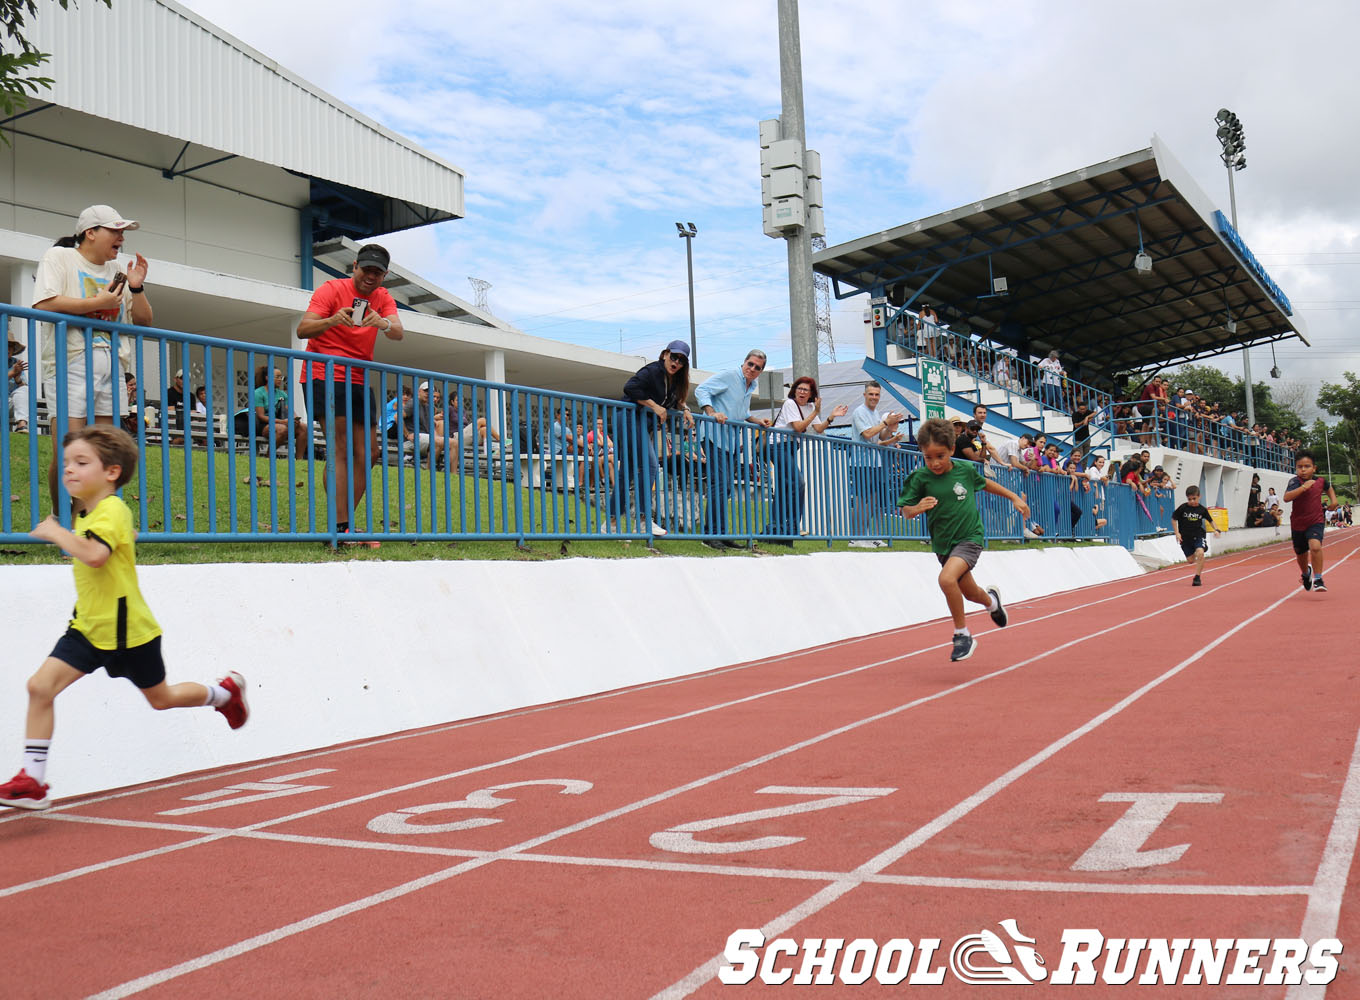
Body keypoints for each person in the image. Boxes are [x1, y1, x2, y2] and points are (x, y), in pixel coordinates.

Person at [0, 426, 248, 811]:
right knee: (40, 687)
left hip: (129, 633)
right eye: (66, 463)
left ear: (111, 472)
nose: (69, 469)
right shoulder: (91, 512)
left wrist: (56, 533)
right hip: (87, 629)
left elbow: (95, 555)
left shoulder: (113, 509)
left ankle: (224, 694)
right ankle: (32, 780)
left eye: (81, 462)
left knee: (162, 699)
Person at [33, 205, 154, 513]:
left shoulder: (119, 272)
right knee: (70, 452)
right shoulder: (60, 257)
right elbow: (44, 304)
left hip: (112, 365)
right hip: (70, 361)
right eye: (115, 231)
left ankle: (91, 524)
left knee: (102, 456)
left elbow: (144, 321)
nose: (121, 238)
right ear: (90, 233)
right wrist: (97, 303)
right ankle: (64, 520)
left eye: (123, 232)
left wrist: (137, 286)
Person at [296, 244, 404, 546]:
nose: (370, 276)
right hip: (325, 372)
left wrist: (382, 322)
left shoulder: (383, 297)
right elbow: (303, 329)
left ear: (384, 275)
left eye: (377, 272)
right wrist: (333, 319)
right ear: (354, 266)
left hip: (358, 377)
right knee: (340, 449)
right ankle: (342, 529)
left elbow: (398, 332)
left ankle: (341, 527)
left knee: (370, 453)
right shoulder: (331, 289)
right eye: (366, 269)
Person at [897, 418, 1030, 662]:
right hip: (943, 544)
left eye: (940, 456)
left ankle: (962, 634)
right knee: (969, 593)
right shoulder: (920, 478)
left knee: (946, 579)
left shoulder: (964, 471)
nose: (935, 463)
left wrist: (1014, 497)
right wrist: (916, 508)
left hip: (970, 537)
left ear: (951, 449)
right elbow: (906, 511)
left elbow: (985, 484)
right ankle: (992, 602)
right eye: (928, 457)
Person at [613, 340, 693, 537]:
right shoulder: (653, 370)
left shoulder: (674, 380)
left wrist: (686, 409)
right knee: (650, 465)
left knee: (627, 471)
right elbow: (630, 387)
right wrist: (654, 406)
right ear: (665, 354)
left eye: (681, 360)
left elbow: (675, 400)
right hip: (629, 418)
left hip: (640, 422)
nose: (676, 362)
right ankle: (643, 520)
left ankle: (612, 523)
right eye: (674, 357)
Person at [695, 348, 768, 547]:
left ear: (761, 371)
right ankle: (711, 535)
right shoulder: (729, 376)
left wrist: (757, 421)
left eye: (757, 367)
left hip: (731, 442)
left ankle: (721, 533)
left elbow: (742, 412)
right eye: (750, 364)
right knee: (719, 484)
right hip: (714, 436)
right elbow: (701, 390)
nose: (752, 369)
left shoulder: (751, 385)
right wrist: (712, 412)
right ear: (744, 362)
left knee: (727, 486)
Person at [769, 375, 848, 543]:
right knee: (798, 483)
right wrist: (815, 413)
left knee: (784, 487)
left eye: (806, 390)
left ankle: (776, 526)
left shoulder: (810, 407)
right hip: (777, 445)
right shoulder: (790, 404)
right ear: (794, 390)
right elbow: (798, 427)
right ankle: (793, 526)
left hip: (790, 447)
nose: (802, 392)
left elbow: (818, 429)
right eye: (800, 388)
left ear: (811, 393)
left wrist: (831, 417)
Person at [848, 381, 905, 547]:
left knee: (873, 501)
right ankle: (855, 538)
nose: (874, 397)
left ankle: (869, 535)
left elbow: (880, 437)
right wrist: (885, 423)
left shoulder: (875, 413)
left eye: (877, 394)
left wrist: (890, 428)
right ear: (864, 395)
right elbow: (867, 434)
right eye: (871, 394)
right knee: (860, 500)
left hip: (874, 463)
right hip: (861, 463)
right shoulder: (859, 412)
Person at [1283, 450, 1337, 593]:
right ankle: (1306, 573)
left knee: (1315, 547)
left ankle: (1318, 579)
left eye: (1307, 466)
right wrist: (1303, 487)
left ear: (1314, 468)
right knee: (1300, 554)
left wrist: (1334, 501)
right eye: (1300, 467)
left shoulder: (1320, 481)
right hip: (1298, 523)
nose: (1303, 470)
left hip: (1315, 520)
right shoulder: (1295, 482)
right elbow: (1286, 498)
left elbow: (1329, 488)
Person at [1173, 485, 1222, 587]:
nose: (1192, 501)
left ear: (1199, 497)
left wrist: (1216, 529)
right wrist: (1177, 533)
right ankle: (1198, 550)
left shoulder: (1202, 509)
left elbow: (1211, 521)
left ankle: (1197, 577)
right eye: (1189, 499)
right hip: (1185, 538)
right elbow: (1174, 519)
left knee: (1200, 553)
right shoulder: (1183, 508)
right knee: (1190, 561)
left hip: (1198, 535)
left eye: (1194, 499)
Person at [7, 334, 30, 432]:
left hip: (9, 405)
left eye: (11, 346)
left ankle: (21, 424)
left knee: (25, 389)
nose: (8, 348)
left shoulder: (15, 363)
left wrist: (18, 379)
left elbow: (24, 390)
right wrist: (11, 374)